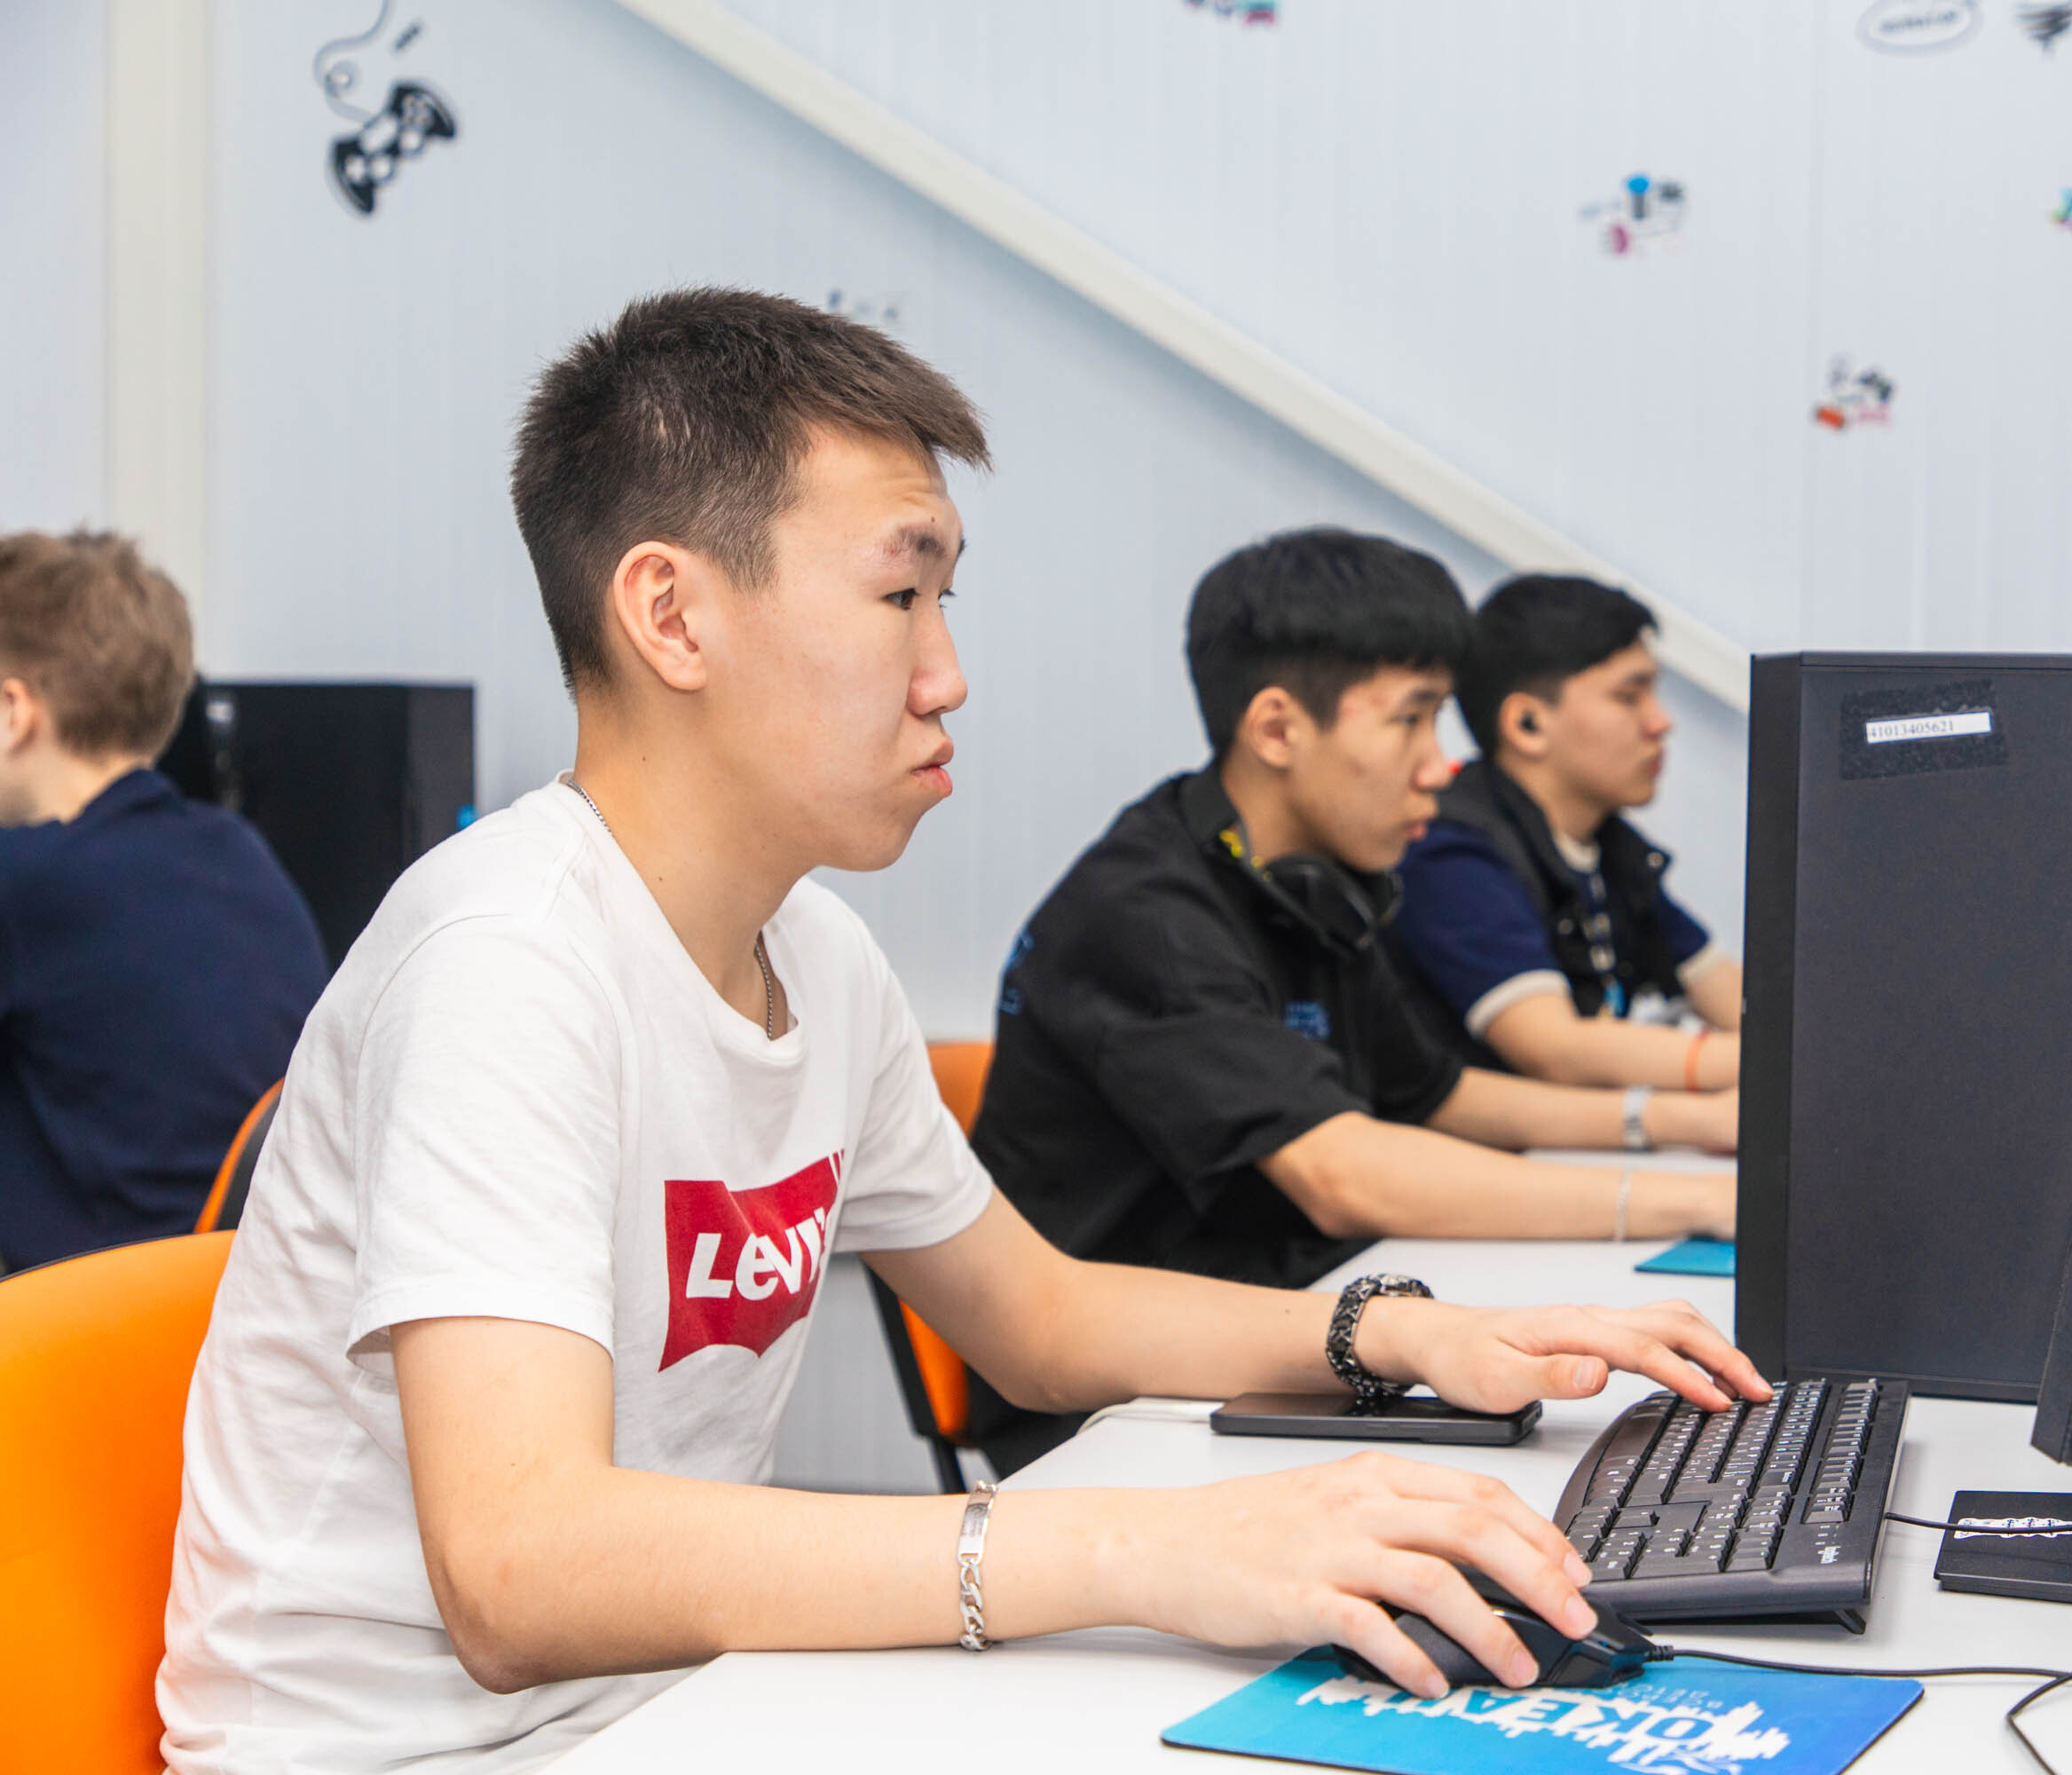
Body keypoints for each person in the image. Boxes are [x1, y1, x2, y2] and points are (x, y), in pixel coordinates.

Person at [158, 290, 1769, 1775]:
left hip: (679, 1707)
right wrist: (1146, 1551)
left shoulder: (819, 955)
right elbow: (524, 1573)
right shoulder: (506, 960)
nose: (948, 675)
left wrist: (1389, 1335)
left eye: (947, 598)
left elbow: (1041, 1318)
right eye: (898, 593)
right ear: (673, 616)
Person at [969, 530, 1741, 1471]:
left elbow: (1441, 1094)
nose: (1439, 765)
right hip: (1133, 1402)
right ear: (1278, 729)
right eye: (1411, 720)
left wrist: (1689, 1124)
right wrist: (1693, 1201)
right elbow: (1344, 1177)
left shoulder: (1322, 884)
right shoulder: (1145, 914)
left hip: (1301, 1324)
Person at [0, 531, 325, 1273]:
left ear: (14, 711)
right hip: (218, 1298)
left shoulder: (29, 882)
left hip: (85, 1311)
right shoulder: (237, 851)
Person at [1388, 573, 1741, 1092]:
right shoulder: (1447, 849)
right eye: (1629, 696)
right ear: (1527, 724)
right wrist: (1772, 1065)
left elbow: (1737, 1002)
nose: (1661, 722)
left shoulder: (1613, 850)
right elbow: (1554, 1050)